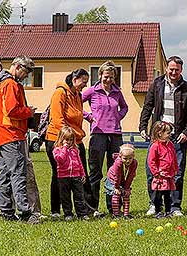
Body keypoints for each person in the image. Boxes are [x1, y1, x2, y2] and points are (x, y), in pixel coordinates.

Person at [139, 56, 187, 217]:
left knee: (176, 172)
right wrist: (143, 126)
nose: (173, 72)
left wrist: (186, 132)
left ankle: (175, 206)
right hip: (158, 135)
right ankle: (154, 204)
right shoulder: (156, 85)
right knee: (152, 170)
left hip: (178, 136)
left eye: (176, 70)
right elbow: (147, 106)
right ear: (166, 68)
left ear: (181, 70)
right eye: (171, 69)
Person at [0, 55, 38, 223]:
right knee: (18, 174)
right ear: (18, 67)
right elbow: (12, 110)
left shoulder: (0, 83)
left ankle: (6, 212)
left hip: (2, 135)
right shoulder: (11, 84)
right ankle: (25, 213)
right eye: (26, 72)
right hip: (12, 134)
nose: (27, 76)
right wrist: (29, 112)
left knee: (4, 174)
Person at [82, 61, 128, 217]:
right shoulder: (92, 91)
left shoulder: (117, 92)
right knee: (95, 172)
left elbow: (125, 107)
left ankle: (114, 207)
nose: (109, 80)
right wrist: (88, 117)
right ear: (100, 75)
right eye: (106, 76)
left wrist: (118, 117)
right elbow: (75, 104)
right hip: (98, 134)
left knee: (115, 172)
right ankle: (92, 208)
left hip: (115, 135)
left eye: (112, 77)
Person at [45, 68, 91, 219]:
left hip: (75, 140)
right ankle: (56, 210)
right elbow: (58, 120)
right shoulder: (60, 93)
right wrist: (73, 136)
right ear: (74, 79)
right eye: (83, 81)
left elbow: (77, 116)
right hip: (57, 139)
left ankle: (85, 209)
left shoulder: (78, 95)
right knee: (58, 175)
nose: (85, 85)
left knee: (81, 172)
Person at [52, 126, 89, 221]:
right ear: (61, 139)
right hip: (63, 177)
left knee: (79, 196)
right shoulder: (57, 150)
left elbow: (79, 163)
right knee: (65, 197)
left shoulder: (75, 150)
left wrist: (82, 173)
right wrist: (64, 148)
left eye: (71, 139)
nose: (68, 142)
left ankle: (82, 214)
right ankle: (68, 213)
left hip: (76, 176)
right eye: (66, 139)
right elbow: (60, 160)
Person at [148, 121, 178, 218]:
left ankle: (168, 211)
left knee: (168, 195)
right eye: (168, 133)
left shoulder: (170, 145)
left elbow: (173, 157)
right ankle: (158, 211)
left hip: (169, 175)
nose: (170, 134)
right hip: (160, 175)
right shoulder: (155, 146)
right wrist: (156, 172)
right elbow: (151, 161)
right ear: (160, 133)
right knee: (158, 194)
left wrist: (175, 169)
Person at [104, 144, 138, 219]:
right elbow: (117, 176)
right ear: (120, 156)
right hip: (113, 179)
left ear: (133, 156)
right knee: (116, 194)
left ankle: (126, 214)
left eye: (130, 158)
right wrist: (116, 187)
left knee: (126, 194)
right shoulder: (118, 163)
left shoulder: (134, 163)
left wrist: (127, 188)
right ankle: (116, 214)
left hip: (123, 178)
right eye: (125, 158)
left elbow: (131, 176)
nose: (128, 161)